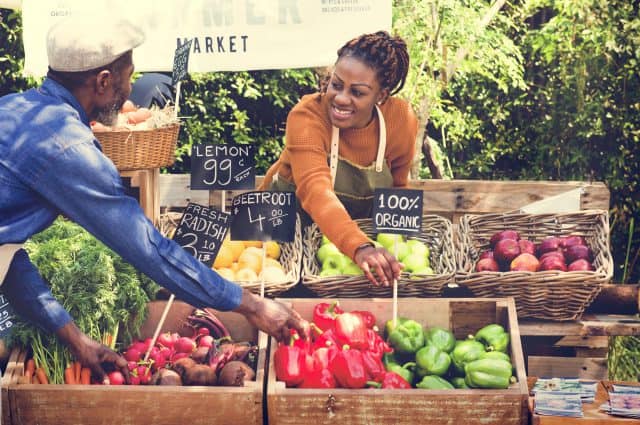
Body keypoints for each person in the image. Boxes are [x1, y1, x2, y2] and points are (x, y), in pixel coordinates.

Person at [0, 16, 308, 384]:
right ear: (103, 81)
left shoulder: (13, 110)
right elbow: (151, 251)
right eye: (129, 76)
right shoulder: (68, 148)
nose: (130, 90)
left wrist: (75, 339)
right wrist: (253, 306)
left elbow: (7, 256)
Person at [260, 31, 418, 287]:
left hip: (341, 248)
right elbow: (315, 190)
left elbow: (398, 188)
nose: (342, 98)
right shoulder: (307, 116)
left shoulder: (401, 119)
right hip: (277, 240)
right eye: (336, 84)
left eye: (357, 92)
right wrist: (360, 247)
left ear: (381, 95)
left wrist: (402, 253)